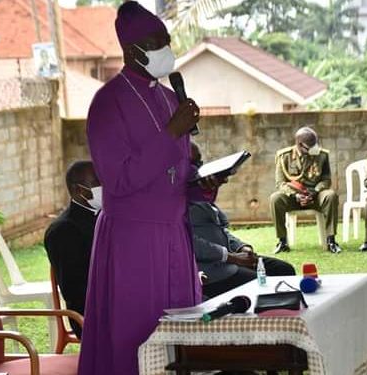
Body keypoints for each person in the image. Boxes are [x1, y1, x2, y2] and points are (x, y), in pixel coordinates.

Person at [79, 2, 218, 373]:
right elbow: (119, 180)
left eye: (167, 40)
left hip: (175, 235)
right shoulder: (107, 103)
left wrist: (204, 184)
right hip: (133, 241)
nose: (166, 50)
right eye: (157, 42)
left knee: (181, 338)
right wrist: (172, 131)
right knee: (136, 338)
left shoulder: (169, 96)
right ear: (132, 50)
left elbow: (175, 172)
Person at [189, 142, 295, 299]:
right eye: (193, 163)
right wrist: (231, 257)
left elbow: (220, 230)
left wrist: (241, 248)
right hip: (211, 269)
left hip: (230, 258)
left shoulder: (199, 191)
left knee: (283, 269)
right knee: (260, 283)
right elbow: (191, 243)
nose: (198, 168)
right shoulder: (175, 199)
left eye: (200, 162)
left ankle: (287, 318)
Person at [44, 160, 100, 338]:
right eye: (97, 182)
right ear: (79, 190)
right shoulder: (63, 230)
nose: (104, 187)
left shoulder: (104, 218)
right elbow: (74, 290)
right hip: (91, 314)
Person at [269, 127, 342, 254]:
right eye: (310, 146)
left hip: (315, 195)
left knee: (331, 195)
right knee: (275, 198)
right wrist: (295, 195)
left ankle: (331, 240)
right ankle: (282, 241)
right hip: (293, 197)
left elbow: (326, 180)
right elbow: (280, 183)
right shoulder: (283, 156)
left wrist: (315, 191)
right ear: (300, 145)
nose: (314, 148)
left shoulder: (322, 155)